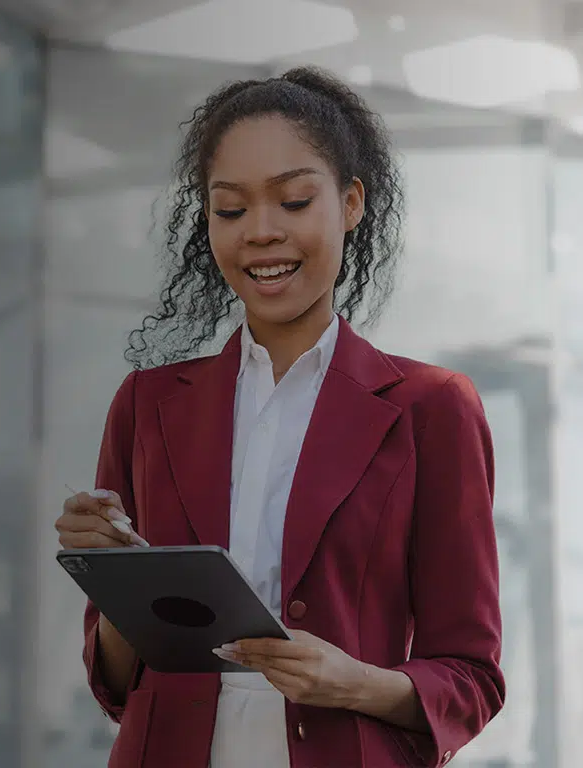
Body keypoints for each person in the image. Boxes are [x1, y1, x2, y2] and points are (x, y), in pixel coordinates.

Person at [53, 66, 504, 768]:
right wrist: (113, 581)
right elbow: (116, 686)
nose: (260, 233)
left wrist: (356, 684)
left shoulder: (432, 409)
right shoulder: (147, 405)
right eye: (230, 210)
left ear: (351, 203)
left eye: (293, 201)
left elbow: (471, 678)